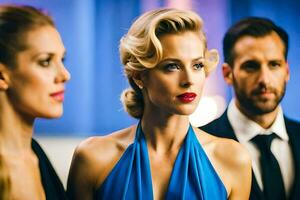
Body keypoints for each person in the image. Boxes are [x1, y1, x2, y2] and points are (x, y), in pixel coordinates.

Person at [67, 8, 251, 200]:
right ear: (139, 76)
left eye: (197, 65)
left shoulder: (232, 159)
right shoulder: (93, 158)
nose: (189, 80)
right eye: (172, 66)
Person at [200, 17, 300, 200]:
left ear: (287, 71)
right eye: (251, 66)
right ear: (228, 74)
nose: (264, 79)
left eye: (274, 65)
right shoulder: (198, 147)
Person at [0, 4, 70, 200]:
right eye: (45, 61)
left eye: (62, 59)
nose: (65, 75)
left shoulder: (36, 157)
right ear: (2, 75)